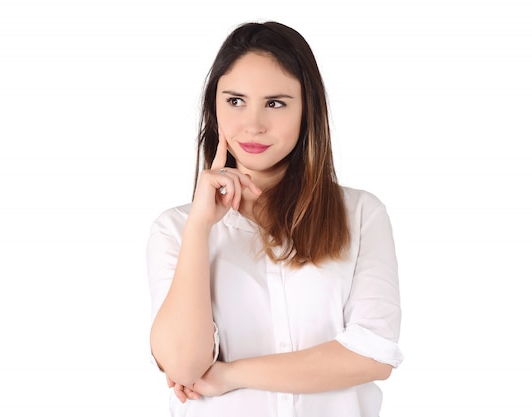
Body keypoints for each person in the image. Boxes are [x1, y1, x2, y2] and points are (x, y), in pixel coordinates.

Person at [146, 21, 403, 417]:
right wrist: (199, 227)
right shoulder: (176, 229)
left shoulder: (361, 215)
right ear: (214, 107)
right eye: (235, 101)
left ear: (307, 110)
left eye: (275, 103)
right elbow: (183, 365)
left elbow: (373, 354)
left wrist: (232, 375)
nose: (253, 125)